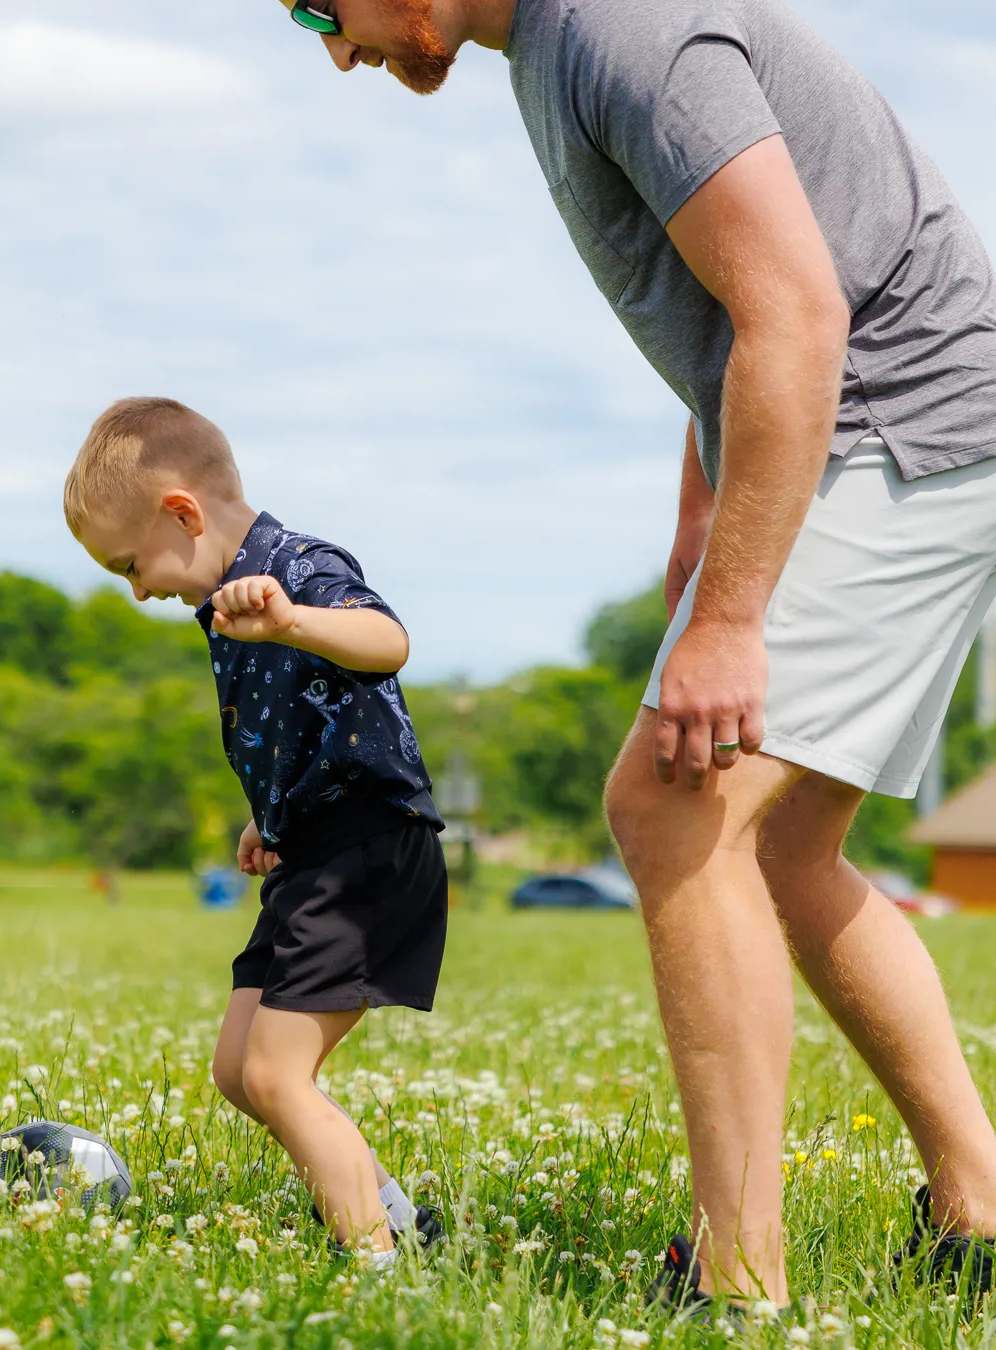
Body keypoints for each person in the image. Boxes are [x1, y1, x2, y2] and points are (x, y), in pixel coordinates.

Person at [274, 0, 996, 1311]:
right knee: (782, 846)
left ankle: (740, 1283)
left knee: (668, 802)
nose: (338, 49)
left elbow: (800, 316)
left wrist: (729, 618)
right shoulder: (558, 44)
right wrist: (705, 522)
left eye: (323, 6)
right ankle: (980, 1207)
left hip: (903, 419)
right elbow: (734, 311)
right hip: (905, 425)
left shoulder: (620, 31)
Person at [63, 396, 447, 1267]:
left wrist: (291, 619)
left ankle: (380, 1265)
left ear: (183, 513)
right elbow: (300, 720)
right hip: (309, 847)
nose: (139, 590)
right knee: (240, 1072)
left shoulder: (294, 569)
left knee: (279, 1074)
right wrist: (268, 813)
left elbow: (386, 644)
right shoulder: (225, 605)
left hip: (366, 849)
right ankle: (403, 1220)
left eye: (131, 563)